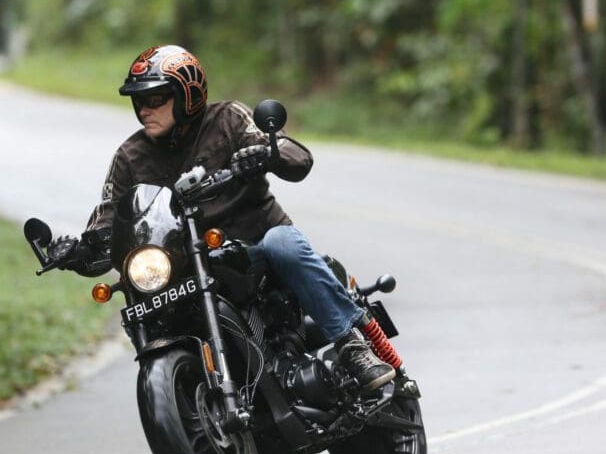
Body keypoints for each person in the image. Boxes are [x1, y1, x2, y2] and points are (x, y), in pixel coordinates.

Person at [50, 45, 395, 395]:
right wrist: (78, 249)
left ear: (187, 96)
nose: (144, 109)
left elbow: (297, 157)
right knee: (140, 291)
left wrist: (264, 153)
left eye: (155, 99)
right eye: (139, 101)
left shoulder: (228, 119)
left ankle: (351, 347)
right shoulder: (129, 157)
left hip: (257, 244)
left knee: (283, 243)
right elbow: (109, 219)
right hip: (188, 266)